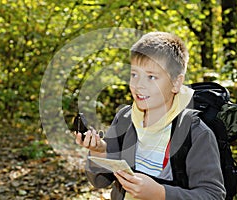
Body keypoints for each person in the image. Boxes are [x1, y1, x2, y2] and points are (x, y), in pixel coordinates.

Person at [75, 32, 226, 200]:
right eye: (134, 75)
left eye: (151, 77)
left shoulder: (195, 133)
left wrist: (161, 194)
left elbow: (213, 195)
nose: (139, 85)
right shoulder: (125, 118)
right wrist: (100, 152)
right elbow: (100, 181)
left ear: (176, 82)